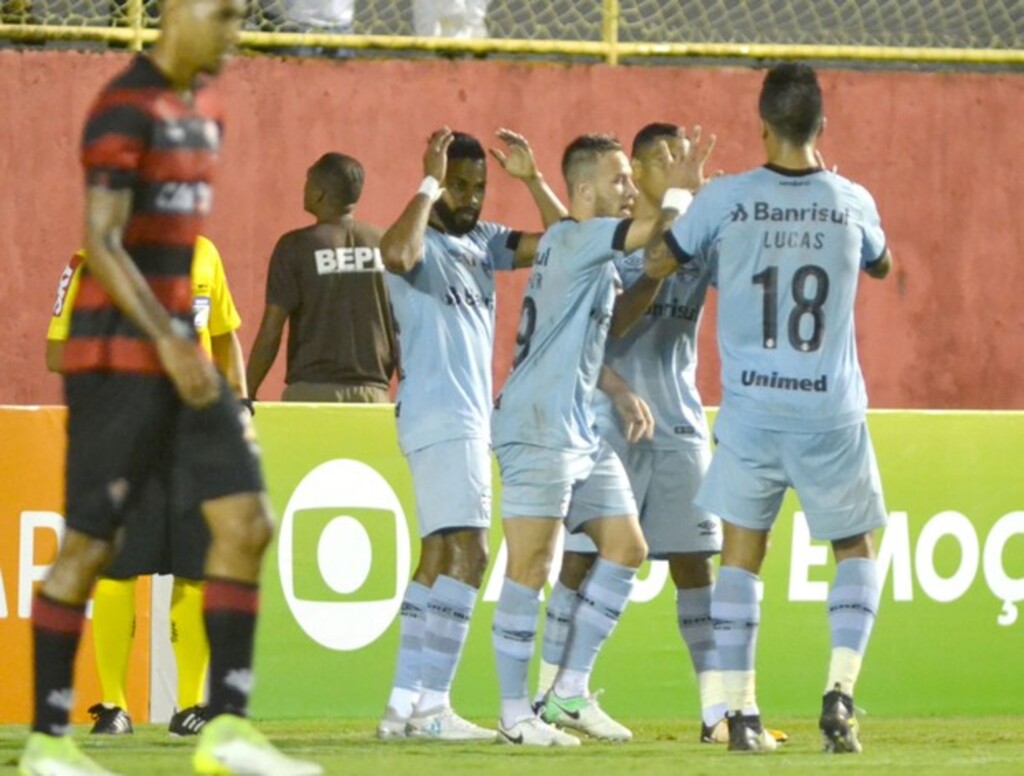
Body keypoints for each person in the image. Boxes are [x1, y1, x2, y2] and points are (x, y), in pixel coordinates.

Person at [18, 0, 321, 773]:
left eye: (242, 17)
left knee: (248, 521)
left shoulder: (203, 112)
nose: (235, 32)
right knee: (90, 549)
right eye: (223, 15)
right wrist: (165, 340)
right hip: (119, 369)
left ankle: (224, 728)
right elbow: (102, 241)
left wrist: (214, 374)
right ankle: (51, 741)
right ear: (176, 12)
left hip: (184, 373)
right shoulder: (123, 107)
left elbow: (179, 263)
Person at [650, 62, 892, 753]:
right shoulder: (852, 199)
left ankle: (743, 714)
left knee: (742, 555)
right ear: (821, 126)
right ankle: (840, 694)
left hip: (754, 407)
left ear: (760, 126)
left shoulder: (724, 200)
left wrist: (684, 203)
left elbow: (660, 265)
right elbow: (882, 263)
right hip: (829, 410)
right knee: (856, 545)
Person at [489, 131, 712, 745]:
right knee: (530, 566)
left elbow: (597, 262)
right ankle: (514, 715)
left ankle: (566, 692)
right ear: (586, 189)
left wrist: (535, 181)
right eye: (619, 179)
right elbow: (654, 235)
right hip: (538, 424)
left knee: (627, 547)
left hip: (577, 425)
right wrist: (682, 195)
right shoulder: (587, 238)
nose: (630, 188)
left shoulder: (572, 239)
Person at [376, 127, 564, 742]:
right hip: (442, 414)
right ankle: (435, 708)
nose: (472, 198)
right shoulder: (419, 234)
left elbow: (564, 242)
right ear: (438, 182)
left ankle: (403, 706)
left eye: (478, 187)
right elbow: (396, 256)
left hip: (460, 419)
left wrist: (533, 180)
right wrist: (428, 184)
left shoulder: (485, 242)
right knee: (473, 554)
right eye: (460, 186)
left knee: (437, 556)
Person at [45, 236, 247, 738]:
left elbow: (223, 335)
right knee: (117, 567)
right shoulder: (90, 259)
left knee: (194, 569)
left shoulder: (204, 253)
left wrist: (240, 403)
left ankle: (189, 708)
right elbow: (55, 350)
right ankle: (114, 706)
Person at [247, 152, 395, 404]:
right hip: (373, 396)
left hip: (310, 394)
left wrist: (246, 391)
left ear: (319, 193)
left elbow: (271, 331)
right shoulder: (387, 244)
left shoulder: (295, 246)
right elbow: (404, 327)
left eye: (308, 181)